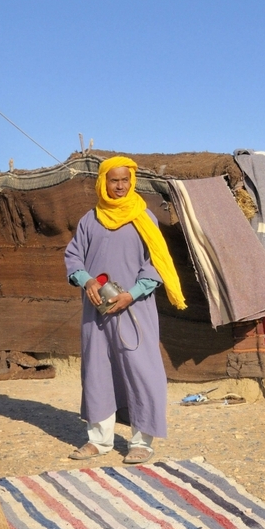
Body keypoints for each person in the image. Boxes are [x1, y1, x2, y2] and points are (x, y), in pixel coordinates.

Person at [64, 156, 186, 464]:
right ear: (103, 182)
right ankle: (99, 440)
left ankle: (142, 440)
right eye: (114, 180)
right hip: (97, 312)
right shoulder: (90, 220)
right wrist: (87, 281)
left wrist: (131, 295)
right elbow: (74, 257)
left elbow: (155, 264)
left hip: (135, 310)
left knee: (142, 371)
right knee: (96, 370)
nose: (120, 186)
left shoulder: (143, 217)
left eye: (125, 180)